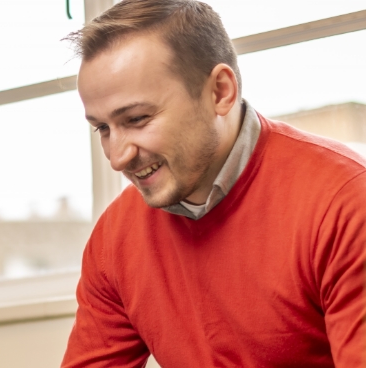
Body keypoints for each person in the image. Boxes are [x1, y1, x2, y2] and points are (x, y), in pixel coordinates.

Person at [61, 0, 366, 367]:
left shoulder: (345, 202)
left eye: (138, 119)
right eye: (103, 129)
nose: (117, 157)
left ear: (220, 92)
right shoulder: (115, 240)